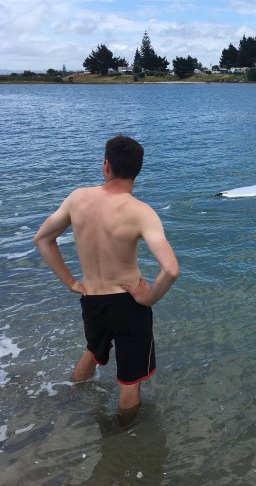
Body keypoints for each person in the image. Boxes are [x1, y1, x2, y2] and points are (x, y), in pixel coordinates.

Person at [33, 135, 179, 417]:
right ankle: (125, 432)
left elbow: (42, 239)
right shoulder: (141, 212)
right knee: (130, 380)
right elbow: (171, 270)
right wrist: (147, 298)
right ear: (137, 170)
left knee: (93, 350)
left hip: (92, 298)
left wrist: (71, 282)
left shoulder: (77, 198)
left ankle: (71, 399)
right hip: (129, 302)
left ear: (106, 166)